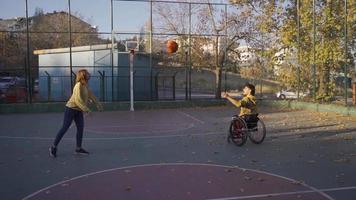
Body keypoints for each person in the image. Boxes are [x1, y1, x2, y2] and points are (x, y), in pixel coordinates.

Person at [49, 69, 103, 158]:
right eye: (88, 73)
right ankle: (53, 147)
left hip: (79, 110)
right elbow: (78, 100)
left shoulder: (86, 85)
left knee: (80, 128)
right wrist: (87, 110)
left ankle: (78, 148)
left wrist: (98, 104)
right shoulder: (78, 85)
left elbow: (91, 95)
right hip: (70, 109)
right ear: (83, 75)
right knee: (65, 128)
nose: (89, 74)